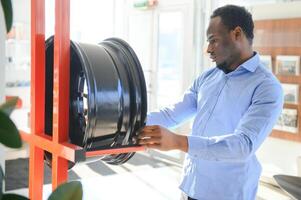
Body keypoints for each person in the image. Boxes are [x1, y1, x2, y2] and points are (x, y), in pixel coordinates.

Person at [138, 4, 283, 200]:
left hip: (227, 193)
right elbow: (171, 115)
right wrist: (126, 122)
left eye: (213, 41)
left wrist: (178, 142)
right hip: (192, 186)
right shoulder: (207, 78)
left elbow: (243, 145)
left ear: (237, 34)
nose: (208, 49)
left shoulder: (266, 87)